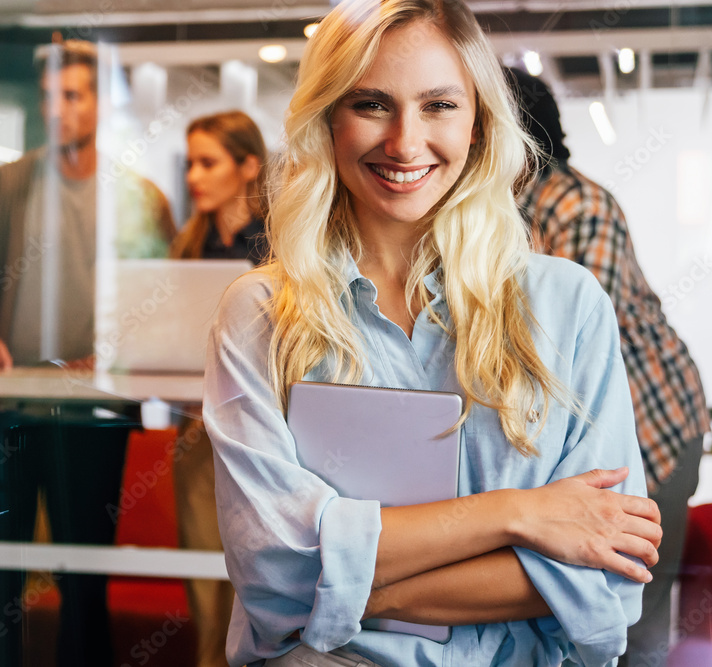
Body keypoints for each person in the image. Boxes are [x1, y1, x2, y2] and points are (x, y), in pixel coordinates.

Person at [202, 1, 663, 665]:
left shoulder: (567, 305)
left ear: (478, 122)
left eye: (439, 105)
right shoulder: (261, 312)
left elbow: (609, 576)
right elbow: (273, 569)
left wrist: (343, 583)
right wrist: (518, 514)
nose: (405, 142)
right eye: (371, 104)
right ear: (328, 119)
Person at [0, 40, 174, 667]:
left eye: (71, 96)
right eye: (47, 97)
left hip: (91, 420)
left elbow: (160, 309)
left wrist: (114, 358)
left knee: (84, 585)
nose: (56, 109)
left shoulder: (140, 198)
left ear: (101, 105)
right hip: (1, 417)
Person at [505, 65, 709, 667]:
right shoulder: (507, 210)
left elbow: (562, 348)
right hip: (586, 446)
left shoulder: (578, 205)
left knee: (630, 616)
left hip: (654, 435)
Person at [170, 110, 269, 667]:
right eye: (190, 164)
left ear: (248, 165)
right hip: (195, 433)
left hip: (260, 438)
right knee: (202, 580)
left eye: (208, 163)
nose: (193, 177)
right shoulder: (189, 244)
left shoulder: (278, 248)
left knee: (256, 577)